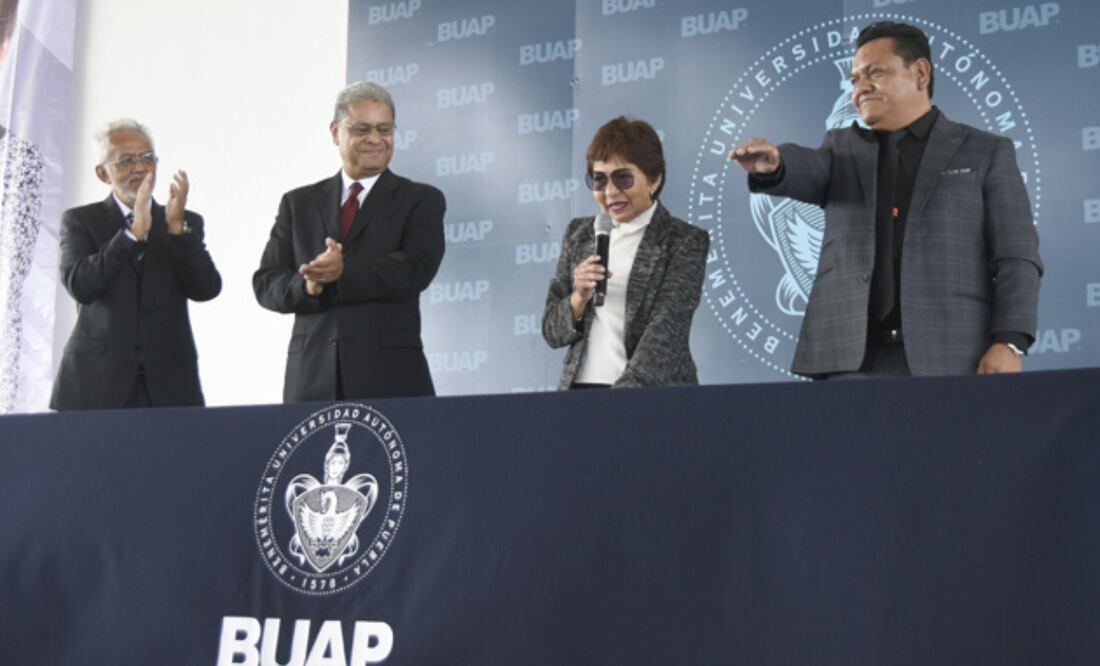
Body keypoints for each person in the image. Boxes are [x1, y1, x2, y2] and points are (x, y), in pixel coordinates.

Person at [730, 21, 1042, 378]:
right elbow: (807, 168)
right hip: (849, 365)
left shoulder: (985, 152)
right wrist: (775, 165)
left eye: (874, 73)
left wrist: (1009, 342)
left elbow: (1017, 257)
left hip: (953, 358)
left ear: (921, 73)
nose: (860, 89)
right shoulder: (841, 149)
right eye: (854, 79)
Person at [254, 81, 445, 401]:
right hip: (311, 381)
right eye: (362, 129)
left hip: (391, 380)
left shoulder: (421, 200)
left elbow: (416, 269)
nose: (375, 139)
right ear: (335, 132)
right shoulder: (297, 203)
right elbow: (267, 283)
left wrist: (344, 270)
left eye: (384, 129)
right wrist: (308, 287)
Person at [50, 119, 222, 410]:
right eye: (126, 160)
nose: (140, 168)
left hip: (170, 384)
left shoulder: (183, 221)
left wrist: (178, 230)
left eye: (146, 158)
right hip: (95, 384)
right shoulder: (80, 221)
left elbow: (206, 288)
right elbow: (81, 285)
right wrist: (130, 236)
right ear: (103, 173)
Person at [542, 116, 709, 389]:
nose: (610, 192)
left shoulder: (683, 240)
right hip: (580, 394)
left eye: (623, 178)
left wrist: (621, 399)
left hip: (651, 397)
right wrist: (578, 298)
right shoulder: (579, 234)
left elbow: (666, 333)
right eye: (599, 180)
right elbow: (552, 332)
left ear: (654, 178)